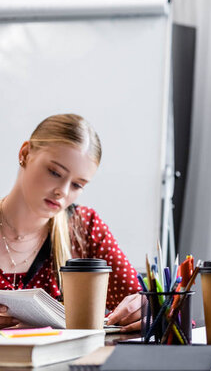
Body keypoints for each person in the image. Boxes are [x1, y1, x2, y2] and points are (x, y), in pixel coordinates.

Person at [0, 114, 142, 331]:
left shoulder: (85, 228)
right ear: (25, 154)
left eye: (77, 185)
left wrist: (144, 306)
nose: (62, 191)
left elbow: (139, 304)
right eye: (55, 172)